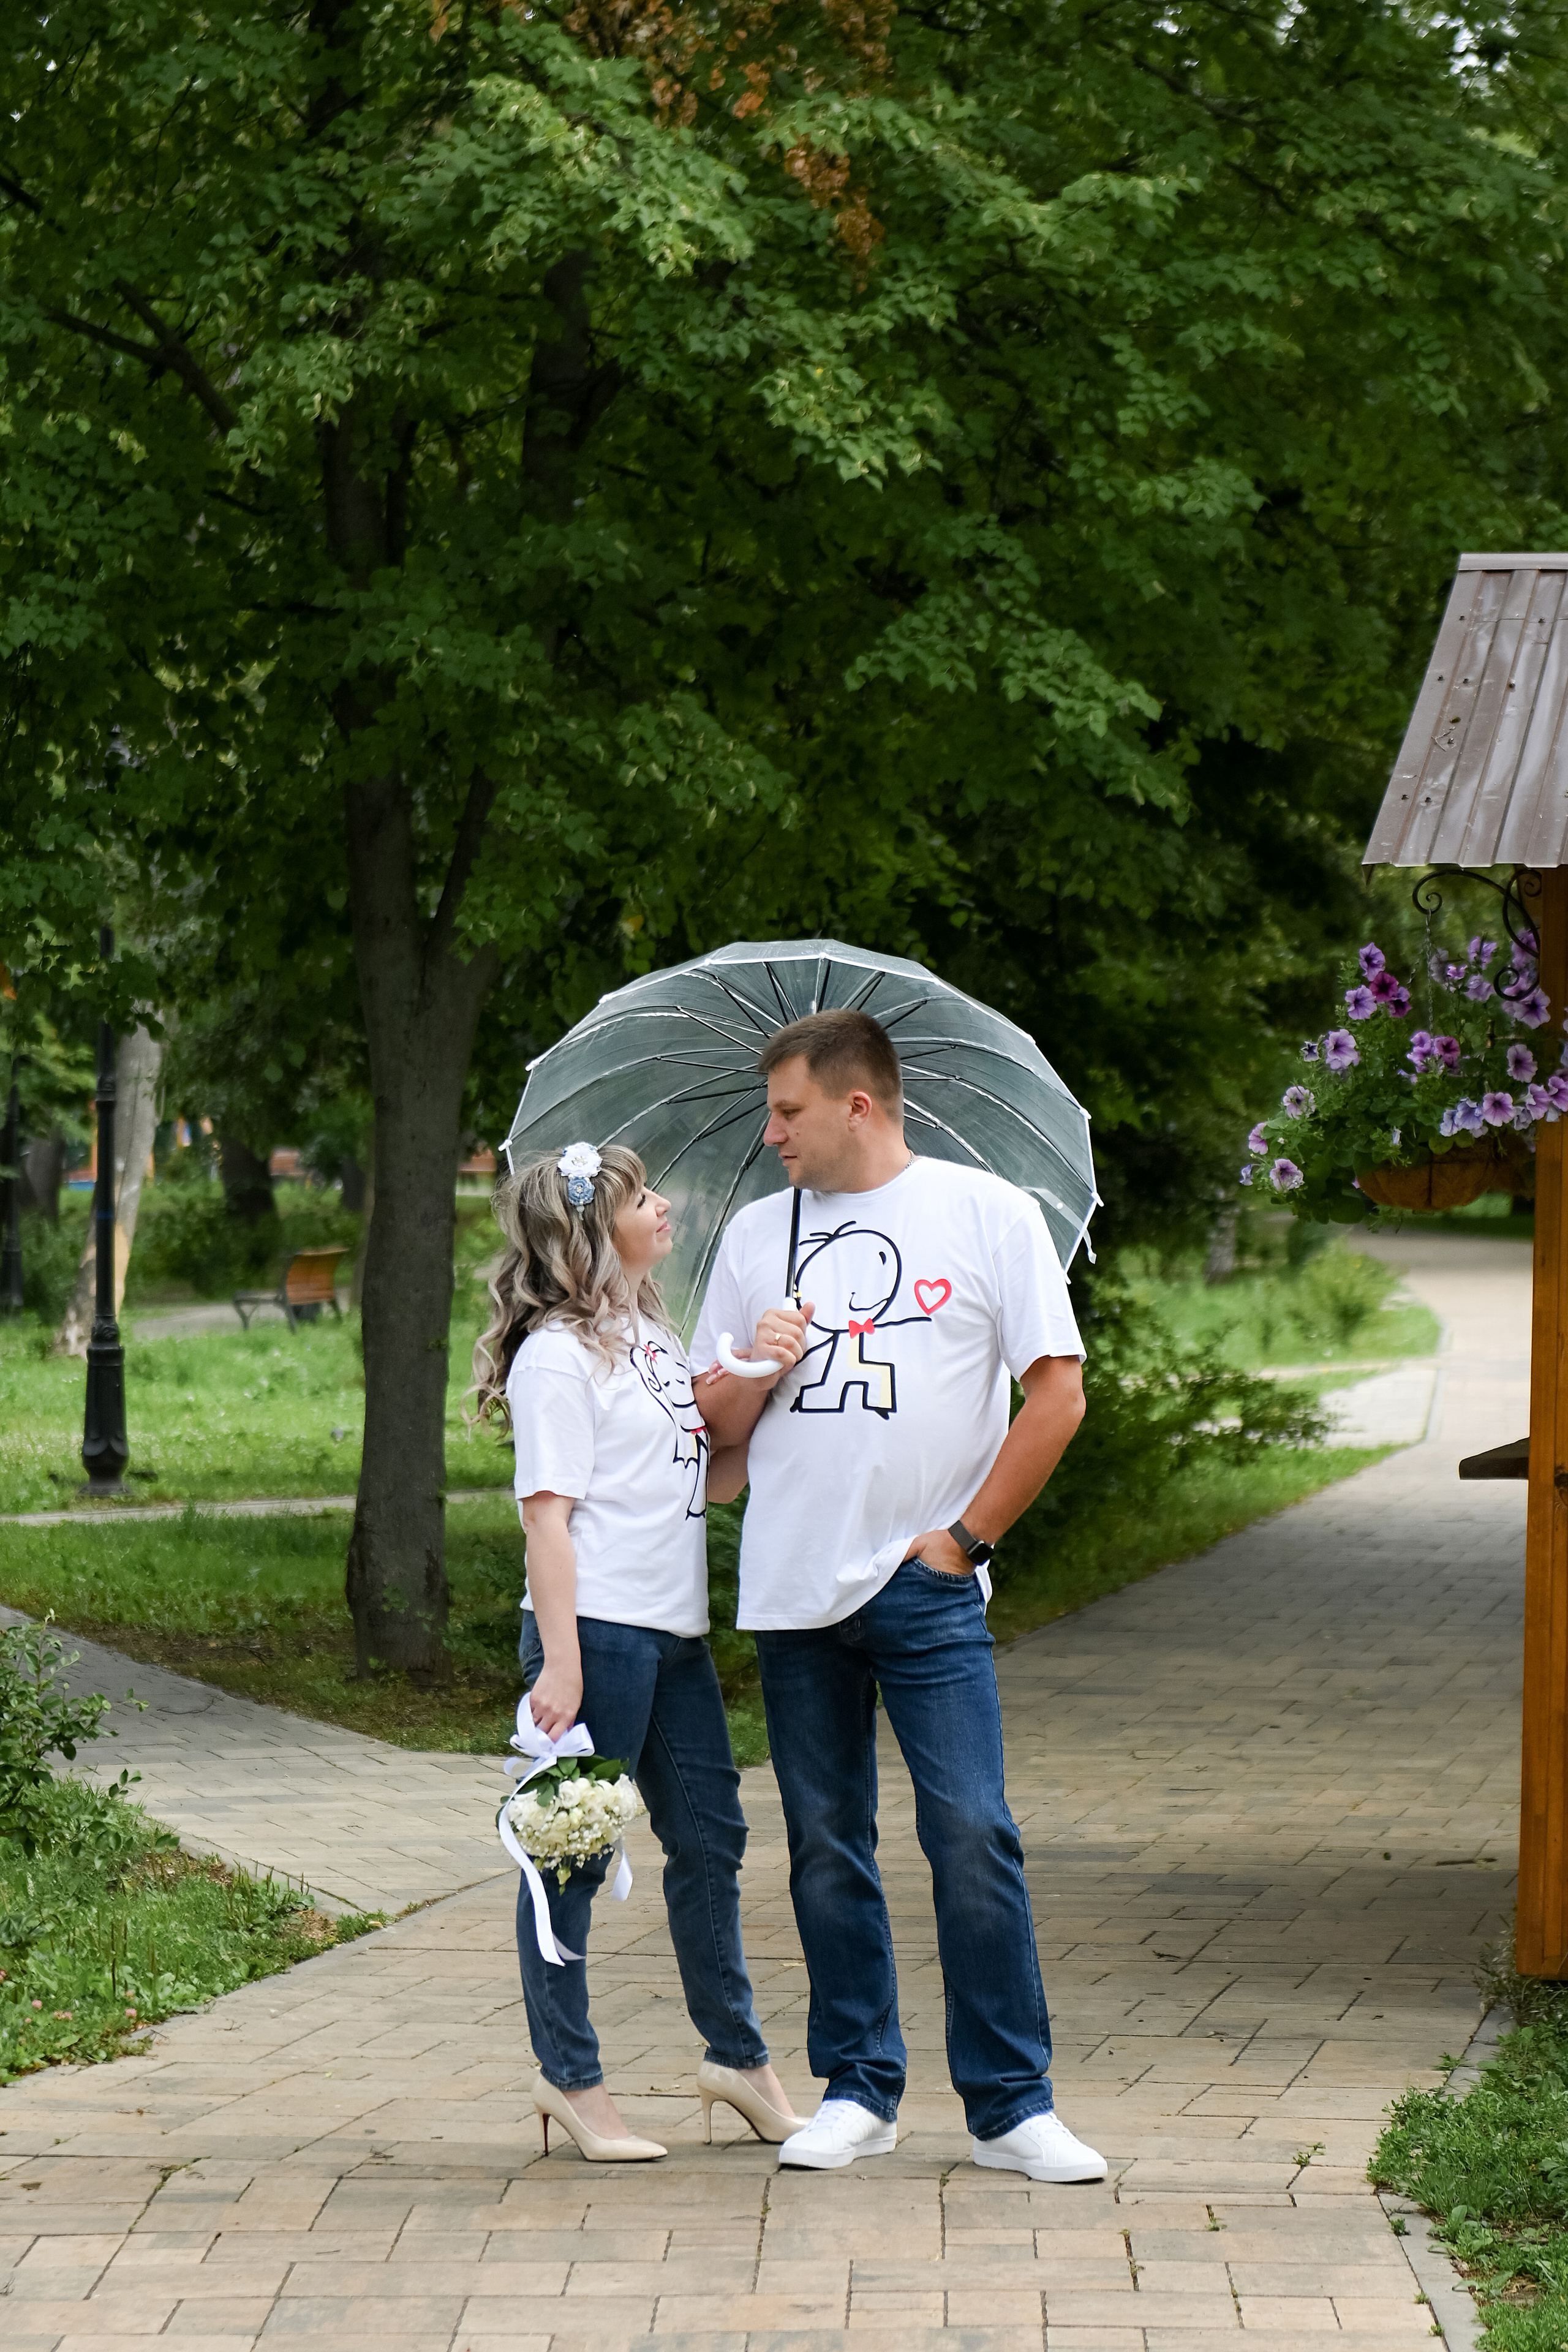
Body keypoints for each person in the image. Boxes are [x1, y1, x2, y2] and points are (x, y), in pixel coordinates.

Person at [693, 1008, 1106, 2182]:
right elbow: (714, 1449)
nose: (770, 1133)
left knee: (972, 1829)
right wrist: (752, 1365)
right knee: (827, 1843)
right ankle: (857, 2089)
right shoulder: (754, 1239)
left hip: (926, 1587)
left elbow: (1058, 1395)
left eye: (787, 1111)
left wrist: (966, 1542)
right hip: (790, 1588)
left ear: (857, 1105)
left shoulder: (987, 1215)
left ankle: (1012, 2107)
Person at [473, 1141, 799, 2163]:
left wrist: (761, 1376)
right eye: (642, 1197)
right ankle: (569, 2079)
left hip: (673, 1635)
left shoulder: (650, 1338)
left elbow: (713, 1481)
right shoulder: (557, 1359)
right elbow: (547, 1521)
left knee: (712, 1842)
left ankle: (737, 2060)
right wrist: (561, 1667)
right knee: (569, 1860)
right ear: (590, 1232)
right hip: (597, 1635)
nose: (665, 1208)